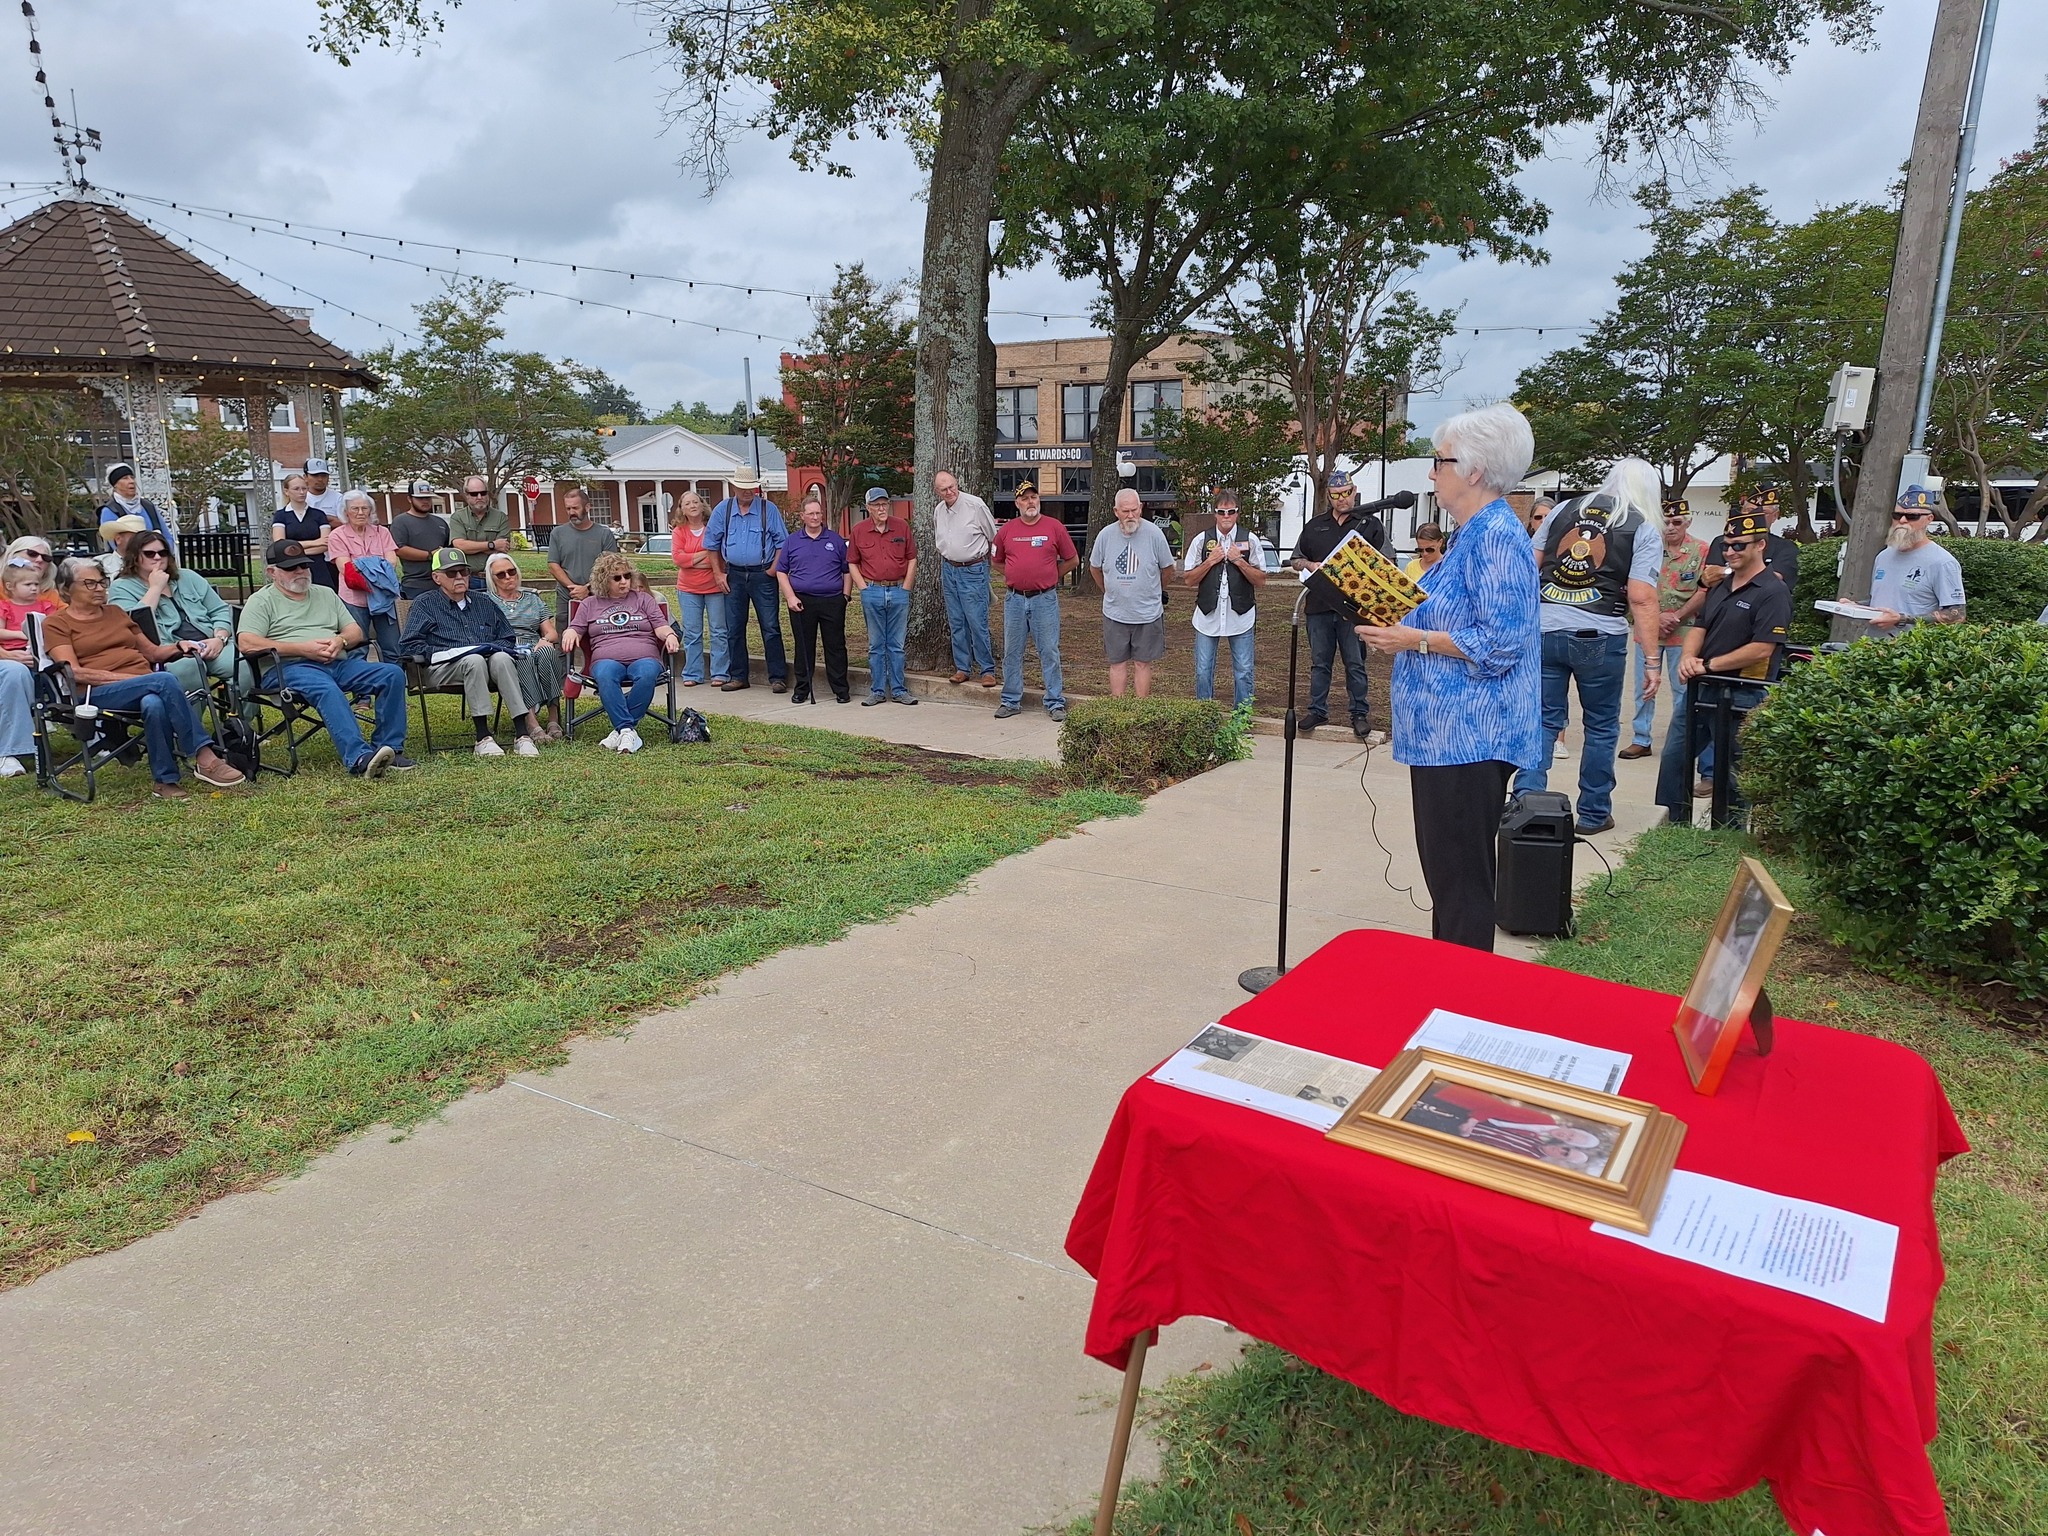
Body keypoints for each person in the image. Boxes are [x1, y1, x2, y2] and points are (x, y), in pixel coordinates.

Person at [1353, 403, 1542, 953]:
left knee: (1460, 884)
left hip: (1471, 737)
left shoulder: (1497, 536)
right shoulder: (1468, 534)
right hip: (1446, 737)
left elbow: (1502, 642)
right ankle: (1452, 987)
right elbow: (1454, 614)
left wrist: (1410, 638)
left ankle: (1460, 1004)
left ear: (1475, 470)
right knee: (1450, 880)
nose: (1432, 473)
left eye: (1440, 461)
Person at [1515, 457, 1664, 836]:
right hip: (1600, 633)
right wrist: (1651, 660)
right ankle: (1594, 812)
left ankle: (1525, 801)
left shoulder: (1564, 509)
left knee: (1542, 720)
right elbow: (1643, 598)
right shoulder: (1643, 526)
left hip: (1545, 628)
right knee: (1600, 727)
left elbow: (1528, 565)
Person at [41, 557, 247, 798]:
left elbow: (151, 652)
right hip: (95, 692)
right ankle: (204, 755)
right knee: (163, 681)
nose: (99, 588)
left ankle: (165, 781)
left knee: (154, 703)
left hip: (145, 687)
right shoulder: (56, 623)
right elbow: (73, 672)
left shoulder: (116, 613)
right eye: (89, 583)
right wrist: (129, 680)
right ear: (65, 588)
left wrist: (179, 646)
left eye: (102, 582)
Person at [1654, 507, 1791, 823]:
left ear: (1760, 545)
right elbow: (1698, 627)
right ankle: (1669, 823)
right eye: (1726, 545)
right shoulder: (1719, 586)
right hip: (1702, 688)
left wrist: (1708, 664)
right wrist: (1689, 658)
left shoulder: (1772, 590)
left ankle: (1728, 831)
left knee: (1733, 769)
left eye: (1738, 545)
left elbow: (1762, 648)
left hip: (1743, 693)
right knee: (1675, 758)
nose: (1730, 552)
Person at [238, 540, 412, 778]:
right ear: (272, 572)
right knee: (326, 688)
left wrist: (339, 641)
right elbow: (247, 643)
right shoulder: (261, 600)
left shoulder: (325, 593)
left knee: (391, 673)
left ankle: (390, 748)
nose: (300, 572)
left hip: (338, 662)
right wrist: (301, 649)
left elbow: (355, 631)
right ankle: (359, 758)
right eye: (291, 568)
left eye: (303, 565)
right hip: (289, 668)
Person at [402, 548, 547, 757]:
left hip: (486, 663)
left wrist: (492, 648)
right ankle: (483, 737)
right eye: (452, 573)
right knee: (473, 660)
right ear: (437, 578)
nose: (460, 577)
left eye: (464, 572)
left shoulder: (484, 602)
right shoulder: (424, 604)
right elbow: (410, 644)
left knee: (502, 658)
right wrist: (450, 652)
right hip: (440, 668)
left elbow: (507, 637)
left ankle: (522, 735)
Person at [562, 551, 680, 752]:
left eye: (627, 576)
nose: (624, 581)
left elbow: (660, 625)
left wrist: (669, 635)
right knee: (606, 675)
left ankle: (622, 731)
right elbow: (576, 627)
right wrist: (570, 632)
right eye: (617, 578)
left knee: (647, 673)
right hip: (605, 658)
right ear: (603, 579)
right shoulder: (590, 604)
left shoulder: (643, 599)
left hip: (644, 656)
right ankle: (627, 730)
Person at [1621, 500, 1708, 761]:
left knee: (1682, 688)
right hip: (1648, 630)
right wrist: (1654, 617)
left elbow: (1706, 589)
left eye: (1677, 522)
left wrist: (1676, 616)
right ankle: (1641, 738)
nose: (1670, 527)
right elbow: (1629, 586)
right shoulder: (1647, 547)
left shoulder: (1701, 550)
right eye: (1665, 522)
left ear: (1688, 522)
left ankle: (1679, 741)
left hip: (1684, 631)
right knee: (1643, 687)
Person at [1292, 477, 1377, 740]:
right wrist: (1308, 565)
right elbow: (1295, 559)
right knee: (1320, 663)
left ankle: (1359, 713)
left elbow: (1386, 561)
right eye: (1336, 494)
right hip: (1318, 605)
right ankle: (1317, 710)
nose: (1342, 499)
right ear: (1328, 496)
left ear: (1355, 492)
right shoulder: (1315, 525)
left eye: (1346, 492)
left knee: (1355, 662)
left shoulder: (1369, 524)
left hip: (1353, 609)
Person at [109, 531, 242, 697]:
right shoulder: (121, 587)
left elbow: (220, 610)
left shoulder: (188, 577)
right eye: (149, 553)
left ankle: (238, 721)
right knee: (189, 668)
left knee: (240, 665)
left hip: (208, 643)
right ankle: (190, 722)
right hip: (168, 650)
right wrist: (155, 588)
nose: (157, 557)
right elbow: (133, 623)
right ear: (135, 556)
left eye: (162, 552)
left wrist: (220, 638)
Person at [991, 478, 1076, 721]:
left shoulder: (1054, 527)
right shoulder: (1007, 530)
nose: (1031, 502)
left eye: (1034, 497)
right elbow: (996, 560)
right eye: (1025, 498)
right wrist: (1014, 574)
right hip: (1015, 600)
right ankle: (1010, 700)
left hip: (1044, 600)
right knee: (1012, 651)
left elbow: (1072, 559)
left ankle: (1055, 702)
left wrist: (1050, 576)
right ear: (1017, 503)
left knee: (1049, 650)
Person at [1179, 488, 1266, 710]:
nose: (1226, 517)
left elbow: (1260, 579)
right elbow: (1188, 580)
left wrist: (1240, 561)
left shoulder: (1250, 539)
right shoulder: (1201, 540)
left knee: (1244, 670)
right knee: (1202, 670)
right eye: (1221, 512)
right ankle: (1204, 715)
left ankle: (1242, 716)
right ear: (1215, 514)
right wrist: (1210, 562)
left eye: (1231, 512)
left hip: (1241, 615)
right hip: (1208, 615)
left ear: (1238, 513)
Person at [706, 471, 789, 693]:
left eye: (750, 487)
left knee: (770, 627)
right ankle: (738, 676)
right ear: (734, 487)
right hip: (733, 576)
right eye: (742, 487)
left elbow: (782, 542)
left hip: (763, 575)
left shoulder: (767, 509)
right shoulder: (722, 510)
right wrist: (718, 574)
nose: (746, 491)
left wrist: (773, 569)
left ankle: (778, 677)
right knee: (734, 627)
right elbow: (711, 544)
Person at [1089, 487, 1175, 698]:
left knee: (1142, 663)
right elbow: (1094, 568)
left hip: (1147, 614)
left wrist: (1155, 591)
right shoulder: (1105, 536)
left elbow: (1168, 569)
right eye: (1125, 511)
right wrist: (1108, 591)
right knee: (1116, 663)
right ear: (1115, 511)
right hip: (1115, 614)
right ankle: (1118, 709)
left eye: (1134, 510)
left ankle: (1140, 709)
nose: (1130, 515)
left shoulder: (1155, 534)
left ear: (1141, 508)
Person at [773, 491, 853, 704]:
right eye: (811, 514)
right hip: (801, 601)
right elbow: (781, 571)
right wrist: (790, 597)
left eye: (818, 513)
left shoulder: (835, 540)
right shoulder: (792, 541)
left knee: (835, 646)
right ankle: (802, 689)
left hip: (832, 600)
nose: (815, 517)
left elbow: (847, 570)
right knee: (804, 647)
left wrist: (845, 596)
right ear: (802, 516)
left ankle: (841, 689)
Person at [849, 486, 918, 707]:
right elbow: (852, 562)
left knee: (896, 644)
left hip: (898, 591)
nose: (882, 508)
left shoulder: (901, 527)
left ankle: (899, 690)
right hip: (872, 591)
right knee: (876, 645)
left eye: (884, 504)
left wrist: (906, 586)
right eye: (877, 505)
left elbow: (912, 559)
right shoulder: (858, 530)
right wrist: (863, 587)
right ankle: (877, 690)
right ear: (868, 507)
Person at [485, 553, 567, 739]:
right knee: (522, 656)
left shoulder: (532, 599)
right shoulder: (487, 602)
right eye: (501, 574)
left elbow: (551, 632)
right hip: (506, 647)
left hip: (534, 643)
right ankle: (531, 722)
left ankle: (554, 718)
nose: (508, 577)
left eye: (511, 571)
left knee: (547, 652)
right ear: (493, 579)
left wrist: (545, 640)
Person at [931, 470, 999, 687]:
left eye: (952, 486)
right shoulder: (939, 511)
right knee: (957, 621)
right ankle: (963, 667)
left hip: (973, 569)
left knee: (977, 621)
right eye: (944, 489)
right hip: (948, 569)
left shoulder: (975, 505)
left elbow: (993, 536)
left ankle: (987, 670)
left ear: (957, 483)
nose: (949, 491)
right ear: (937, 492)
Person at [1867, 486, 1966, 630]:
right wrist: (1854, 607)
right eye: (1896, 515)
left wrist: (1902, 619)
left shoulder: (1942, 562)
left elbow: (1957, 615)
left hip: (1911, 649)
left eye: (1912, 516)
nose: (1902, 521)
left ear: (1929, 519)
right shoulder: (1883, 556)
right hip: (1871, 645)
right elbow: (1881, 601)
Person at [327, 489, 404, 661]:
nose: (360, 513)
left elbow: (392, 562)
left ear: (370, 511)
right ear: (345, 512)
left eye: (365, 508)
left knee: (392, 647)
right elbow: (346, 569)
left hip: (384, 597)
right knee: (357, 649)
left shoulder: (382, 532)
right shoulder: (337, 536)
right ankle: (360, 686)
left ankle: (394, 683)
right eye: (355, 509)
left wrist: (362, 565)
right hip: (354, 599)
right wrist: (377, 566)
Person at [0, 554, 58, 779]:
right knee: (16, 673)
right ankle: (12, 750)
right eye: (28, 584)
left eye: (36, 584)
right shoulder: (5, 607)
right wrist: (25, 634)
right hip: (12, 655)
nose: (34, 588)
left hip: (41, 653)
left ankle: (95, 735)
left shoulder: (46, 605)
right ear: (10, 587)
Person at [669, 490, 728, 687]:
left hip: (715, 588)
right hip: (688, 589)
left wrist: (692, 559)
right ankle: (693, 674)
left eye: (696, 502)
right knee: (693, 632)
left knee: (719, 631)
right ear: (682, 509)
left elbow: (719, 557)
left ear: (702, 505)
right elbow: (678, 559)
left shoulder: (713, 528)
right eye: (688, 503)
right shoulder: (679, 531)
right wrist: (706, 554)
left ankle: (720, 672)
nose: (693, 505)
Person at [1697, 485, 1801, 594]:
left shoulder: (1786, 548)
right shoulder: (1722, 542)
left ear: (1775, 516)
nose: (1755, 516)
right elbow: (1710, 577)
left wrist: (1725, 571)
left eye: (1763, 512)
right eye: (1750, 510)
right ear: (1742, 511)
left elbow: (1774, 579)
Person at [545, 485, 620, 633]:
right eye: (568, 509)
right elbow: (553, 564)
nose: (572, 512)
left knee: (599, 636)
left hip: (599, 594)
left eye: (575, 508)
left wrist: (587, 588)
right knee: (564, 638)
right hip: (567, 596)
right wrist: (573, 588)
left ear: (587, 507)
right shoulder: (558, 533)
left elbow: (612, 566)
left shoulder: (604, 534)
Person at [390, 479, 451, 624]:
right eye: (420, 498)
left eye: (427, 497)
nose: (425, 501)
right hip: (415, 584)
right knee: (420, 625)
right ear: (409, 499)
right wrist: (429, 555)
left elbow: (446, 548)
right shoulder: (400, 522)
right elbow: (399, 549)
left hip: (442, 583)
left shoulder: (440, 523)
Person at [272, 472, 338, 591]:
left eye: (304, 488)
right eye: (296, 489)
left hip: (318, 566)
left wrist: (293, 548)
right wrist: (315, 542)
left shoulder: (319, 515)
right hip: (291, 567)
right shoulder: (281, 516)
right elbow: (280, 544)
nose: (301, 492)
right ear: (286, 491)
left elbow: (325, 544)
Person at [447, 476, 512, 591]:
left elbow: (502, 548)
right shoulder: (458, 518)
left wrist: (471, 546)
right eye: (474, 494)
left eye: (483, 493)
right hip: (468, 579)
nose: (479, 497)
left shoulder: (500, 517)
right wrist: (492, 545)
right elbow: (459, 545)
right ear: (466, 495)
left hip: (495, 578)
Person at [97, 463, 177, 554]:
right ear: (115, 485)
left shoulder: (148, 506)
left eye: (132, 477)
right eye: (125, 478)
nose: (131, 481)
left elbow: (166, 535)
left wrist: (164, 554)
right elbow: (116, 544)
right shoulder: (109, 510)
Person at [98, 512, 148, 579]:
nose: (140, 541)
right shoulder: (101, 564)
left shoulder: (153, 561)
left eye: (144, 538)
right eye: (135, 537)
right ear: (118, 539)